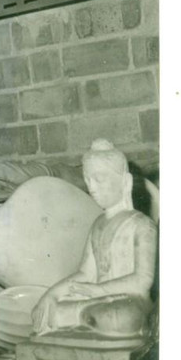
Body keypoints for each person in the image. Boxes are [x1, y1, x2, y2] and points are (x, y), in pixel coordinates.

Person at [31, 139, 157, 338]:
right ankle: (86, 321)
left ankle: (86, 322)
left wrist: (98, 290)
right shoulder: (98, 224)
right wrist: (52, 294)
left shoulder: (142, 224)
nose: (92, 188)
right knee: (52, 310)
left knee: (118, 315)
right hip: (97, 301)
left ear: (125, 181)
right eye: (88, 180)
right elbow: (85, 273)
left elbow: (142, 281)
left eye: (99, 179)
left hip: (129, 302)